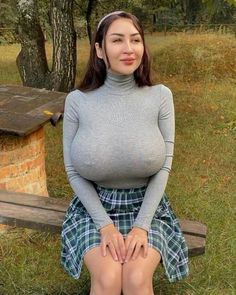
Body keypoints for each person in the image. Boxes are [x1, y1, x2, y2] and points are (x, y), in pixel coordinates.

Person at [61, 11, 189, 295]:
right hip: (93, 209)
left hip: (148, 208)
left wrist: (141, 226)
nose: (129, 49)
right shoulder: (77, 102)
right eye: (117, 40)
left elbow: (163, 167)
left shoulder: (160, 97)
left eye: (135, 40)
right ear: (99, 49)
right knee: (108, 279)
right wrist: (105, 225)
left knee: (134, 279)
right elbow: (72, 170)